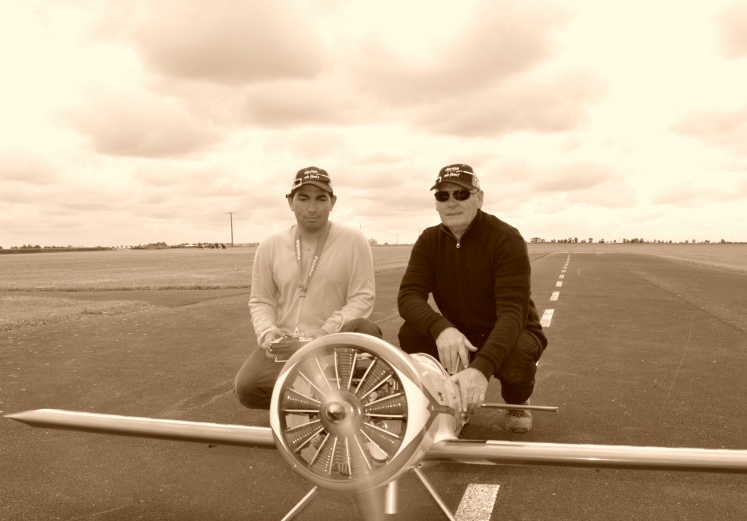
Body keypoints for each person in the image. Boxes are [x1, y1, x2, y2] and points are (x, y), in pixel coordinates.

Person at [397, 163, 547, 432]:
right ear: (436, 203)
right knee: (411, 333)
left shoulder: (506, 239)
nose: (451, 202)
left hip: (511, 331)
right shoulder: (429, 240)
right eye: (443, 195)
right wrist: (442, 328)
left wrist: (481, 369)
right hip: (460, 332)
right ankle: (447, 400)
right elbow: (408, 296)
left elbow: (512, 313)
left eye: (461, 194)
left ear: (479, 198)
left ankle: (517, 401)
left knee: (516, 359)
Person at [234, 166, 381, 409]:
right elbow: (261, 300)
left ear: (332, 202)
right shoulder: (269, 246)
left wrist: (325, 332)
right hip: (288, 343)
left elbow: (362, 298)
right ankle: (318, 402)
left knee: (366, 330)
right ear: (290, 202)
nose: (312, 208)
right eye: (303, 198)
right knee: (247, 388)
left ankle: (338, 400)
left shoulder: (354, 241)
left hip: (335, 340)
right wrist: (268, 333)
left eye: (321, 199)